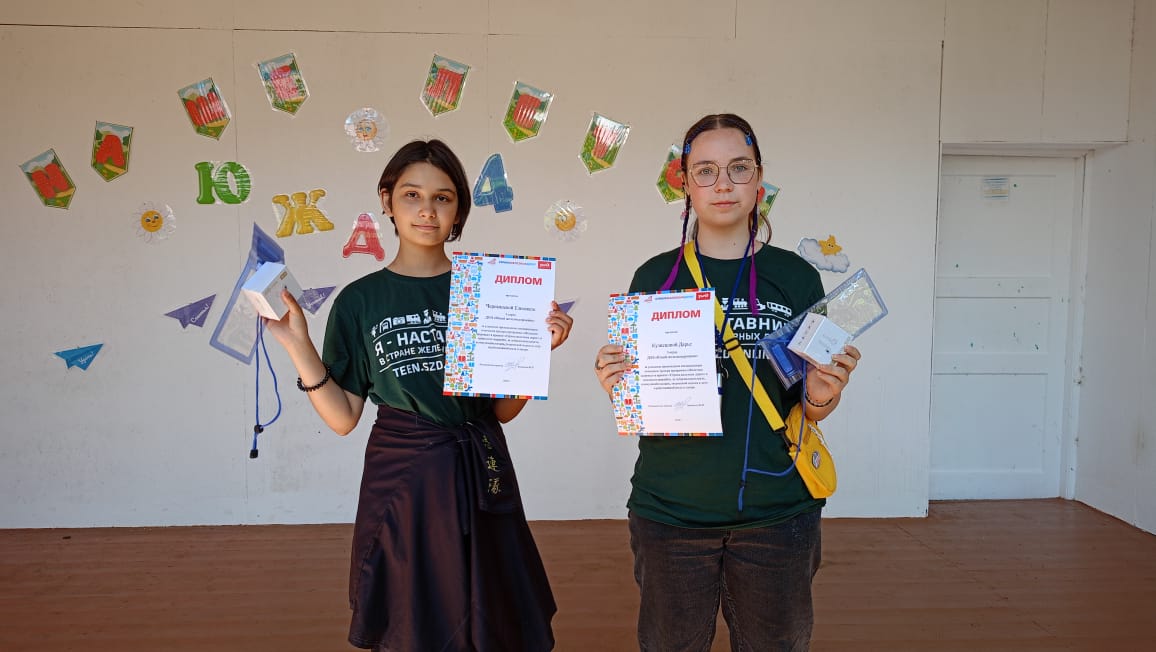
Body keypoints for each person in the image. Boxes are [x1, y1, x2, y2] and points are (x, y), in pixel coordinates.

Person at [265, 139, 571, 651]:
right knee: (412, 621)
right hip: (404, 479)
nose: (427, 210)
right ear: (387, 201)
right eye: (412, 195)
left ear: (459, 211)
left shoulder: (491, 289)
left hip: (480, 470)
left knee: (494, 618)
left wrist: (536, 353)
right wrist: (299, 346)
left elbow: (501, 412)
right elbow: (343, 417)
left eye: (442, 198)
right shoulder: (360, 300)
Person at [593, 114, 861, 651]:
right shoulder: (654, 277)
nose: (722, 184)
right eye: (706, 170)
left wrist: (822, 395)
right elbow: (642, 396)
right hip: (671, 510)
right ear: (685, 183)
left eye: (738, 168)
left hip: (778, 511)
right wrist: (618, 384)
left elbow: (809, 406)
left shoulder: (797, 277)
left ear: (758, 179)